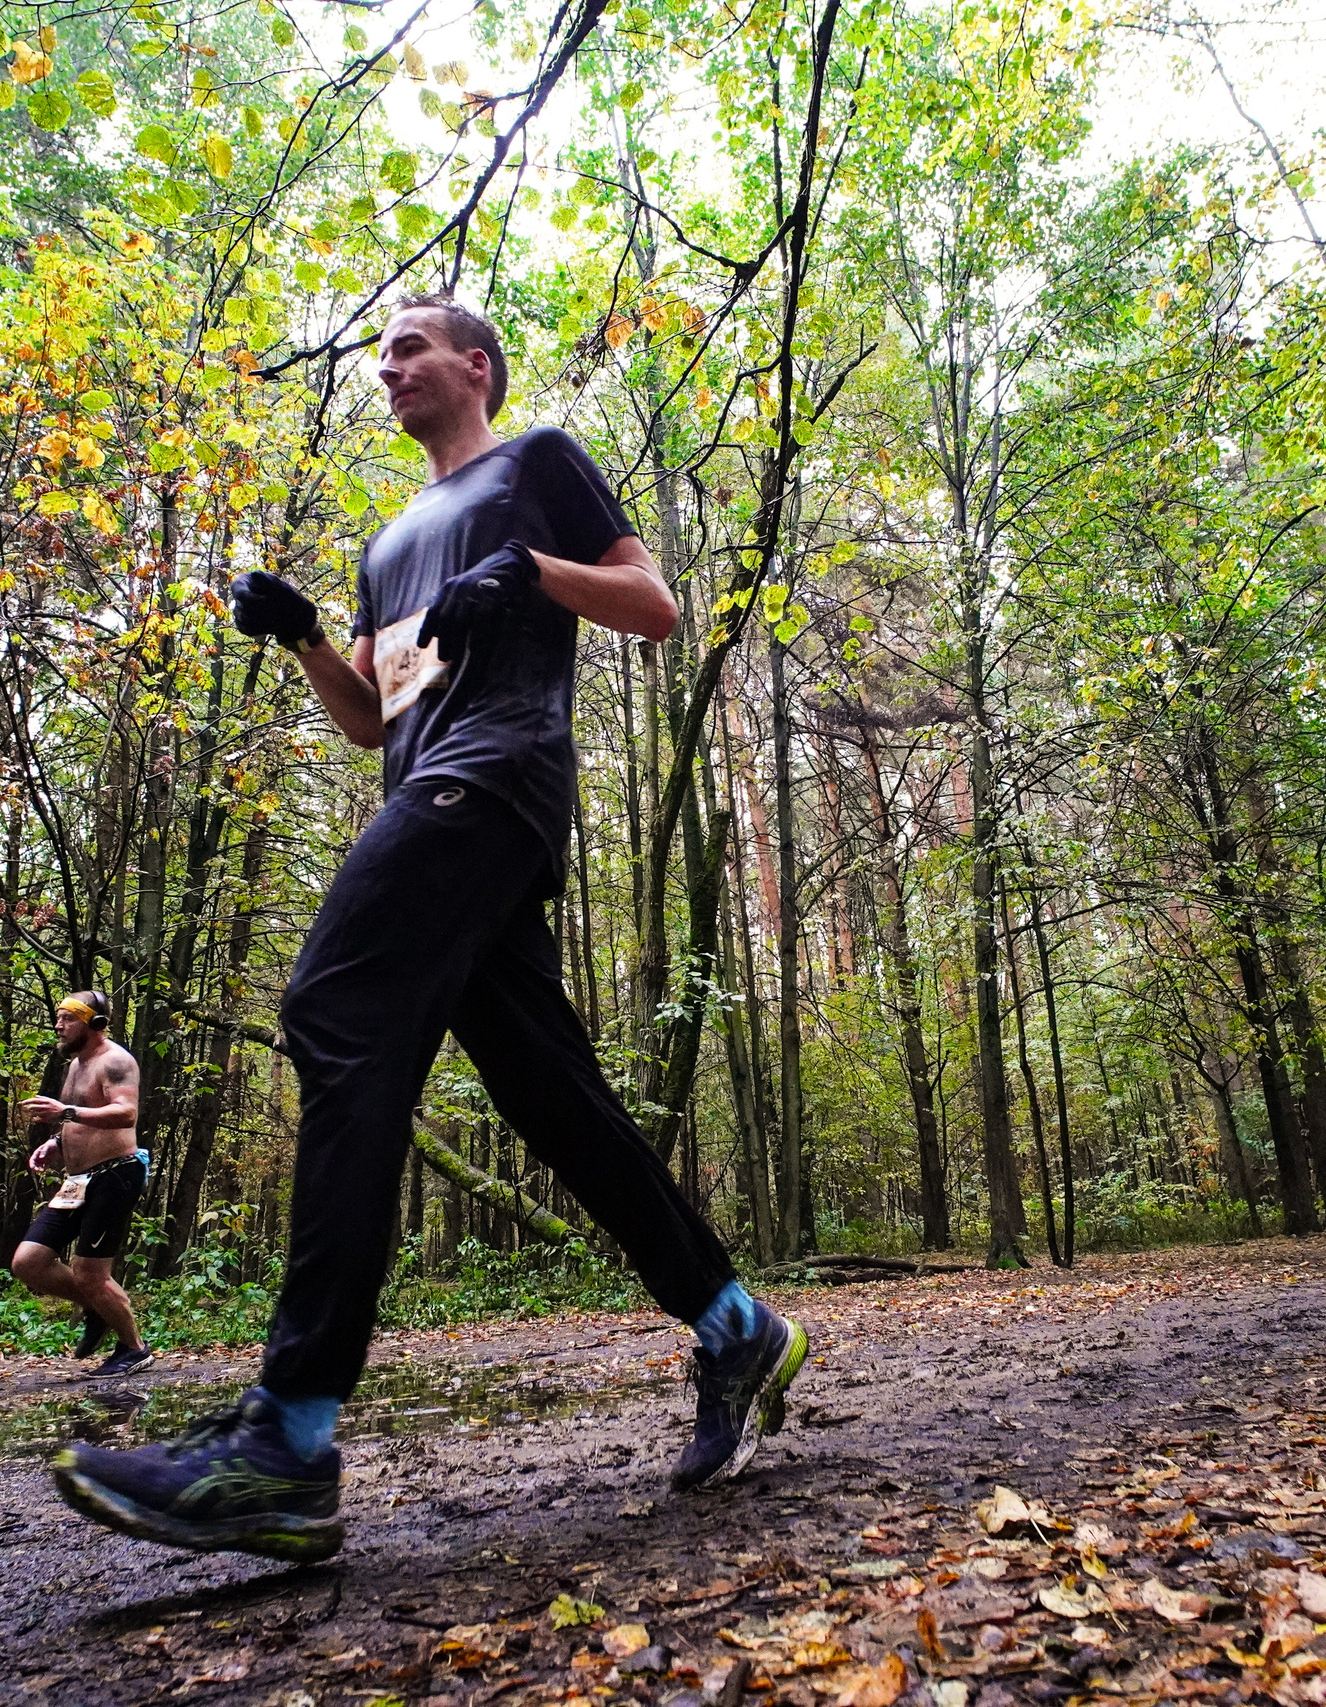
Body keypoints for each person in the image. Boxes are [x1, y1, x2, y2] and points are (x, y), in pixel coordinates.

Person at [50, 297, 806, 1563]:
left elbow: (652, 604)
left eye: (407, 347)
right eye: (379, 356)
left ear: (474, 364)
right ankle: (737, 1327)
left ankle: (285, 1446)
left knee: (336, 1009)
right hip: (429, 786)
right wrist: (299, 635)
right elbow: (367, 717)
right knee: (554, 1100)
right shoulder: (389, 540)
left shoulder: (537, 463)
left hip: (499, 776)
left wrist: (526, 571)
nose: (386, 367)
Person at [10, 990, 155, 1379]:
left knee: (91, 1274)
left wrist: (65, 1112)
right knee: (29, 1262)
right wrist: (55, 1143)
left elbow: (125, 1113)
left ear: (96, 1024)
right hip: (78, 1180)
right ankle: (98, 1307)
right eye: (58, 1018)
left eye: (67, 1019)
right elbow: (79, 1118)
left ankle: (135, 1349)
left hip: (116, 1174)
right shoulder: (76, 1065)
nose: (58, 1025)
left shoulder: (117, 1061)